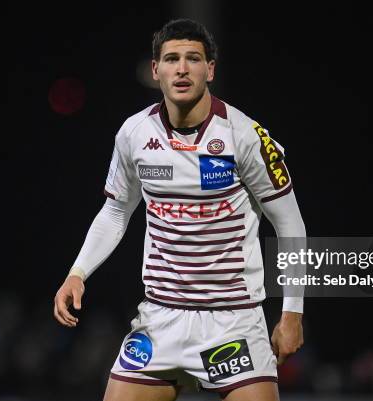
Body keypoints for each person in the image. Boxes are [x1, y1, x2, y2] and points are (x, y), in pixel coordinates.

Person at [53, 18, 306, 401]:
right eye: (171, 59)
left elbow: (290, 224)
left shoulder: (244, 135)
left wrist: (292, 314)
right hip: (160, 319)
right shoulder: (134, 134)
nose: (182, 68)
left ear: (211, 69)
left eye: (193, 58)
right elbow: (116, 212)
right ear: (156, 70)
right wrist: (78, 272)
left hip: (233, 321)